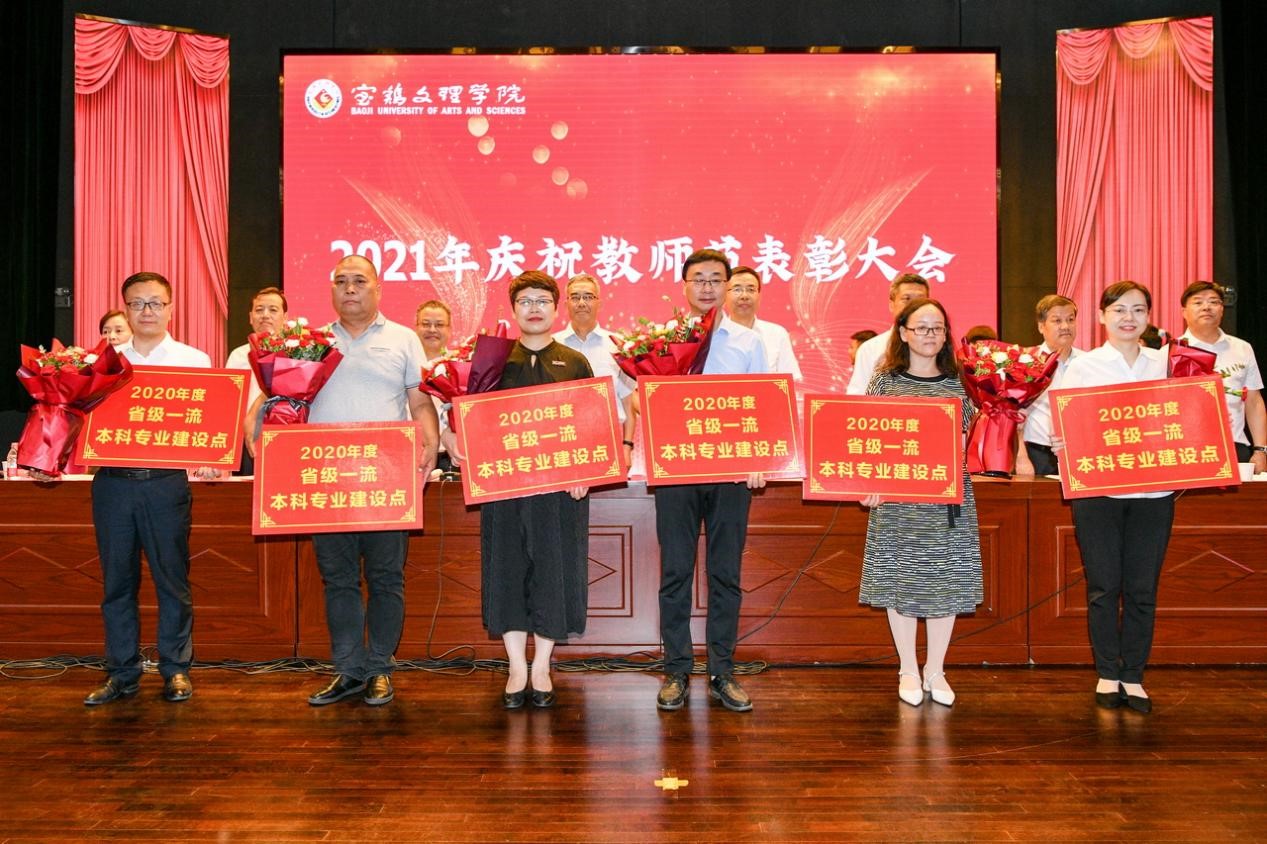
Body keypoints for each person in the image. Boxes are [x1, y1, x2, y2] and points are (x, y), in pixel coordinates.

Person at [290, 255, 440, 707]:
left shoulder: (403, 338)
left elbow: (419, 402)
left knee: (385, 577)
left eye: (359, 281)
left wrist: (430, 444)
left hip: (385, 479)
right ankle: (348, 669)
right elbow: (289, 405)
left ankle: (379, 668)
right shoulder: (311, 344)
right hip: (327, 480)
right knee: (337, 579)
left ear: (378, 288)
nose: (350, 289)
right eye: (342, 281)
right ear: (332, 290)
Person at [447, 271, 593, 709]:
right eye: (525, 301)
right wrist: (453, 437)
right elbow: (466, 414)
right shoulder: (492, 363)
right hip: (503, 488)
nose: (534, 308)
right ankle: (515, 666)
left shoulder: (574, 361)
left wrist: (586, 470)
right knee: (507, 570)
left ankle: (542, 666)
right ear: (513, 309)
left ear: (555, 309)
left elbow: (589, 423)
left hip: (558, 491)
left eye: (542, 301)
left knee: (553, 571)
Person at [84, 272, 214, 706]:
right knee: (116, 584)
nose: (147, 311)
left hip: (165, 485)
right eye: (137, 303)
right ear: (125, 309)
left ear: (171, 308)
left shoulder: (193, 360)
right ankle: (122, 672)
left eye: (156, 303)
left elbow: (209, 418)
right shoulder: (103, 364)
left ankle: (175, 669)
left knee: (172, 580)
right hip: (113, 485)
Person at [655, 249, 767, 713]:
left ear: (727, 286)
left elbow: (762, 402)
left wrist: (759, 458)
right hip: (677, 471)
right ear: (684, 286)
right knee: (675, 573)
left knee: (725, 574)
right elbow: (647, 399)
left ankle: (722, 671)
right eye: (698, 279)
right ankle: (676, 671)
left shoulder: (748, 340)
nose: (707, 287)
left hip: (730, 473)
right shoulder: (662, 340)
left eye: (715, 279)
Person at [1054, 280, 1172, 714]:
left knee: (1142, 588)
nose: (1129, 318)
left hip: (1154, 492)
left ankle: (1134, 675)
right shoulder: (1084, 367)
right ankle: (1107, 671)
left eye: (1138, 310)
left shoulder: (1166, 364)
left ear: (1148, 317)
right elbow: (1063, 422)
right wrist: (1063, 442)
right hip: (1099, 492)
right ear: (1102, 316)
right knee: (1104, 586)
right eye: (1119, 309)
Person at [858, 298, 981, 708]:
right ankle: (908, 668)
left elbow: (965, 439)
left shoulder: (962, 383)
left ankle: (936, 669)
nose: (930, 334)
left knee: (947, 581)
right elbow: (868, 439)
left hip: (947, 497)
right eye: (921, 327)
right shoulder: (884, 381)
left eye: (938, 327)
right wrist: (869, 483)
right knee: (901, 580)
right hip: (897, 499)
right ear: (904, 332)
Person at [1178, 280, 1267, 473]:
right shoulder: (1171, 352)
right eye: (1198, 302)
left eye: (1213, 302)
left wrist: (1260, 450)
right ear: (1184, 312)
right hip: (1186, 449)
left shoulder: (1242, 348)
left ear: (1222, 309)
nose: (1206, 307)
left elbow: (1254, 401)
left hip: (1234, 446)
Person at [553, 274, 637, 463]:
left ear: (600, 303)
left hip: (609, 443)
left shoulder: (617, 345)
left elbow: (628, 404)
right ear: (566, 304)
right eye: (575, 297)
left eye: (588, 297)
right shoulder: (552, 344)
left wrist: (627, 447)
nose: (582, 303)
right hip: (562, 444)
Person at [1015, 294, 1083, 476]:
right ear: (1041, 326)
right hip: (1037, 454)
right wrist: (1021, 457)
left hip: (1079, 453)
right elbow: (1013, 417)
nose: (1065, 326)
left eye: (1070, 319)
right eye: (1057, 320)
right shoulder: (1025, 362)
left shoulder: (1089, 363)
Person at [225, 287, 289, 474]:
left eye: (273, 310)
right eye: (259, 310)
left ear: (285, 317)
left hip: (285, 437)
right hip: (245, 440)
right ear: (250, 317)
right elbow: (230, 403)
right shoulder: (238, 355)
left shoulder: (296, 352)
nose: (265, 315)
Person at [846, 273, 930, 394]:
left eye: (920, 300)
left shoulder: (940, 348)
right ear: (892, 305)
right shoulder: (870, 349)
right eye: (906, 299)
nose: (914, 305)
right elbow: (857, 395)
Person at [723, 265, 803, 381]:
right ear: (724, 296)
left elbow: (790, 381)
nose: (744, 296)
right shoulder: (714, 336)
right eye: (737, 289)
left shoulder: (777, 334)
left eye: (751, 290)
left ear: (759, 296)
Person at [415, 299, 458, 475]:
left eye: (439, 325)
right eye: (426, 324)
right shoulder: (404, 365)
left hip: (451, 456)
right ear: (416, 327)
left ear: (449, 329)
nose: (432, 330)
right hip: (415, 454)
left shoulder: (460, 365)